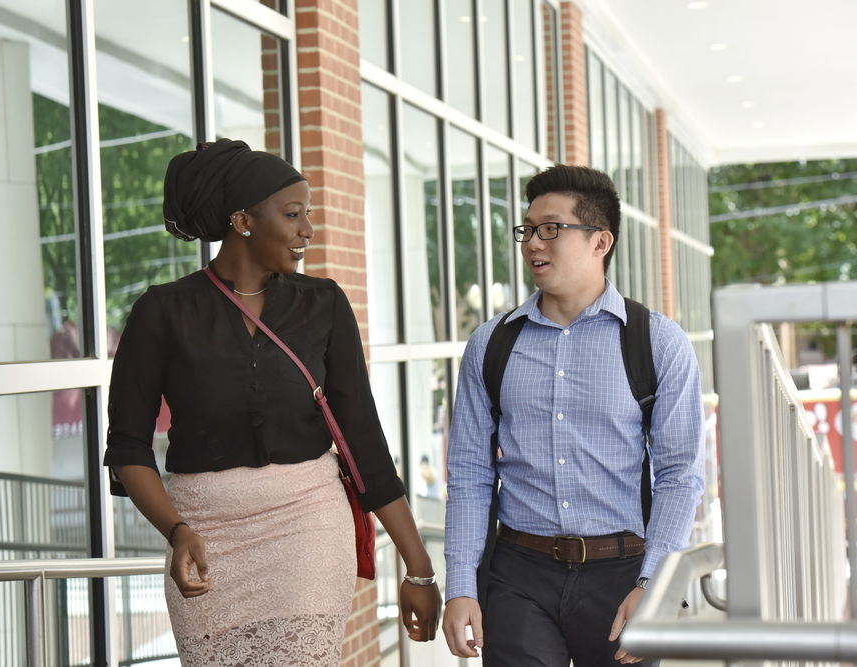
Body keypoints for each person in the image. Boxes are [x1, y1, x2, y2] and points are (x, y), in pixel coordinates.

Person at [104, 139, 441, 666]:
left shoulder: (324, 304)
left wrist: (417, 566)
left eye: (309, 214)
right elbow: (127, 448)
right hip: (205, 537)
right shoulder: (162, 313)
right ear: (243, 220)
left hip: (307, 526)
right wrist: (176, 530)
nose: (307, 229)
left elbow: (363, 444)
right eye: (292, 214)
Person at [441, 165, 705, 666]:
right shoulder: (492, 344)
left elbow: (679, 476)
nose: (533, 244)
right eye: (527, 230)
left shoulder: (656, 342)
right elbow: (471, 473)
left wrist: (655, 584)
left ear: (600, 241)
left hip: (623, 573)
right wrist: (460, 585)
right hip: (519, 573)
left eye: (552, 229)